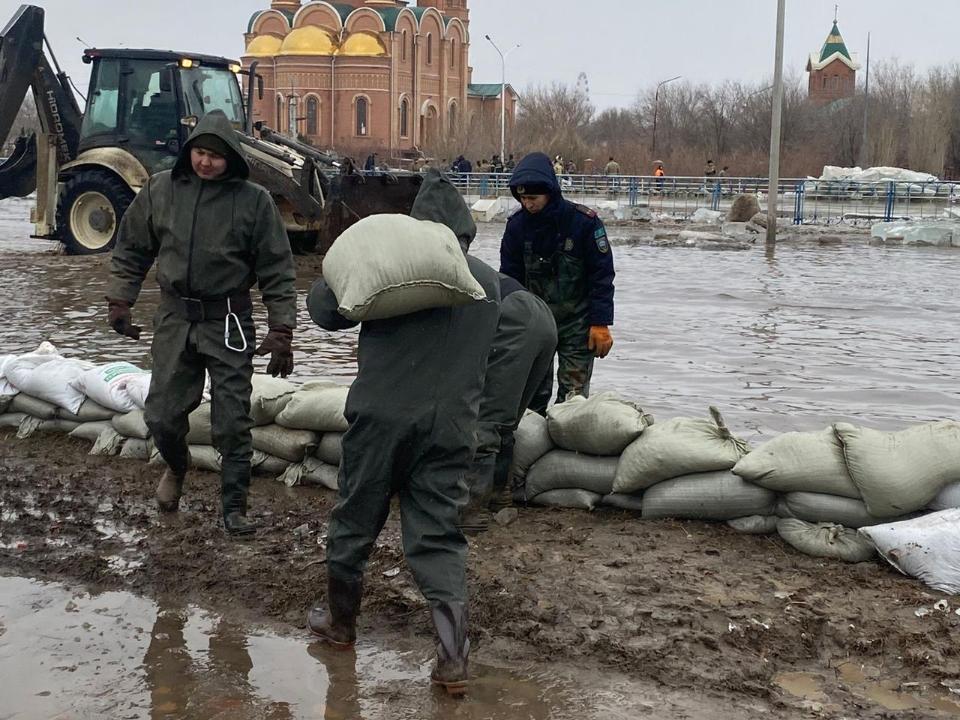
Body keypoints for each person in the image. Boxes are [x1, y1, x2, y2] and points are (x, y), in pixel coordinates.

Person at [305, 169, 501, 695]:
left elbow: (324, 311)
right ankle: (453, 659)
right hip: (453, 428)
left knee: (355, 520)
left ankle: (341, 625)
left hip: (382, 421)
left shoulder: (388, 268)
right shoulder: (487, 283)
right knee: (438, 536)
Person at [106, 109, 296, 537]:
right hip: (174, 317)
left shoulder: (254, 202)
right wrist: (121, 300)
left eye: (215, 155)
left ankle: (234, 507)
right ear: (189, 152)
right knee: (161, 415)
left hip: (228, 320)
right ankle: (176, 466)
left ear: (231, 157)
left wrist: (281, 330)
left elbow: (278, 270)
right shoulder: (161, 190)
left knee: (232, 421)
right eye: (199, 153)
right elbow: (132, 249)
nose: (206, 162)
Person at [500, 152, 615, 411]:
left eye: (533, 198)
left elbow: (602, 275)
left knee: (572, 400)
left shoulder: (584, 223)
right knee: (530, 399)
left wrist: (601, 323)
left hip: (578, 324)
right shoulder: (516, 227)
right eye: (522, 198)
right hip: (534, 323)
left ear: (550, 192)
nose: (527, 204)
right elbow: (509, 279)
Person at [460, 274, 557, 532]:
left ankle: (470, 510)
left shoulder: (431, 275)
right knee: (506, 420)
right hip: (543, 317)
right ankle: (499, 494)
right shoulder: (462, 267)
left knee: (486, 419)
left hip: (515, 317)